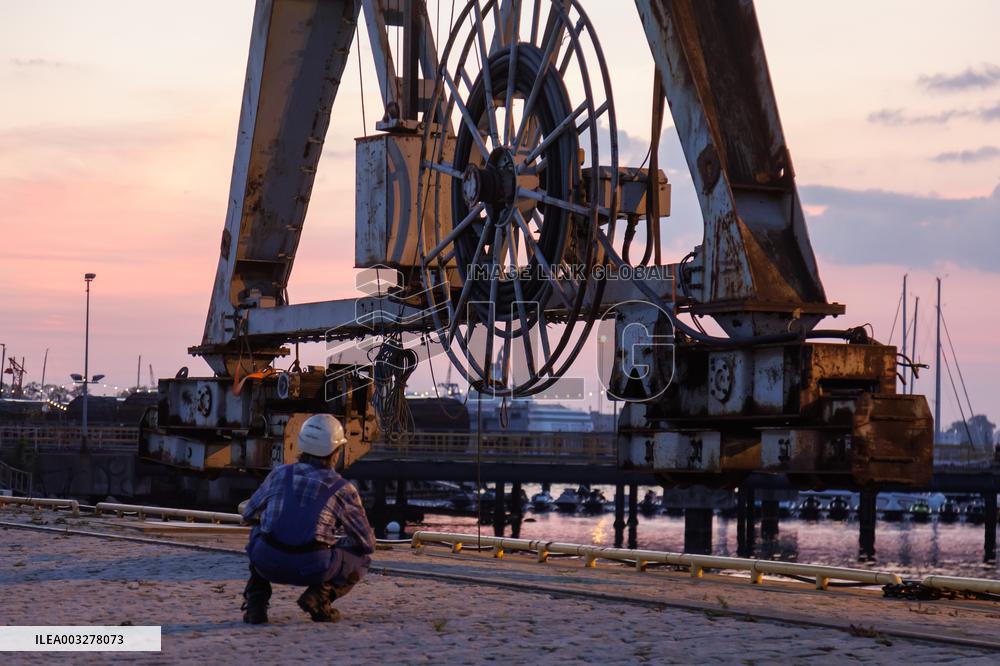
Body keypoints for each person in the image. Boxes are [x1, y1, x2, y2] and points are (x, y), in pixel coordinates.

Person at [240, 414, 375, 624]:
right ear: (336, 452)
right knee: (362, 557)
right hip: (313, 567)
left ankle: (256, 603)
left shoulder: (278, 474)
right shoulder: (344, 490)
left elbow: (248, 515)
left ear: (301, 446)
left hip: (268, 562)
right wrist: (336, 540)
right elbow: (367, 543)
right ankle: (319, 597)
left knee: (257, 532)